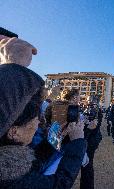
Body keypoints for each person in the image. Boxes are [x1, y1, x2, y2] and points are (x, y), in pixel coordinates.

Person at [0, 35, 86, 188]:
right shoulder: (10, 179)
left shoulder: (11, 158)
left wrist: (57, 137)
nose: (39, 122)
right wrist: (78, 141)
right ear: (14, 132)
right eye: (34, 120)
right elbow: (60, 184)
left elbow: (35, 161)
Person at [80, 100, 103, 189]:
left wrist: (86, 124)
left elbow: (94, 126)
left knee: (87, 166)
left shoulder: (96, 112)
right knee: (86, 167)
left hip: (90, 142)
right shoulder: (85, 110)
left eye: (91, 102)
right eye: (88, 101)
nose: (89, 103)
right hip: (87, 140)